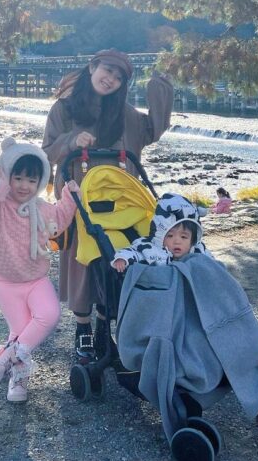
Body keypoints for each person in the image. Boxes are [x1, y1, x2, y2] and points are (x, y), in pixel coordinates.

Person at [113, 194, 258, 461]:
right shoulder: (148, 249)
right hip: (169, 325)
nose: (177, 242)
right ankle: (189, 408)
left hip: (200, 319)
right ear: (160, 233)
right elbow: (131, 253)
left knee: (230, 342)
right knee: (188, 352)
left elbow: (214, 275)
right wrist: (123, 260)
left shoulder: (198, 254)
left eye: (184, 237)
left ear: (193, 238)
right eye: (171, 235)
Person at [42, 48, 173, 362]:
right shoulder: (65, 108)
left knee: (114, 260)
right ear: (92, 67)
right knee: (82, 264)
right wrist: (71, 140)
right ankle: (82, 327)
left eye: (118, 77)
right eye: (107, 71)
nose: (110, 79)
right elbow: (46, 152)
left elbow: (153, 129)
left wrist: (160, 86)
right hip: (78, 198)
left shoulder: (125, 114)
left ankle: (105, 324)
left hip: (119, 202)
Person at [0, 136, 80, 403]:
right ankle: (18, 379)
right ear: (7, 175)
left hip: (35, 278)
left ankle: (6, 356)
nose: (23, 185)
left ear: (40, 182)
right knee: (20, 331)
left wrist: (71, 196)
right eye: (17, 178)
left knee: (49, 315)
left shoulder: (41, 208)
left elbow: (60, 219)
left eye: (31, 180)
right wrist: (1, 184)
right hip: (4, 281)